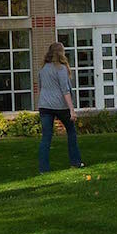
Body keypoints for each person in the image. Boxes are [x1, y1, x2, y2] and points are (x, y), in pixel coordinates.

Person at [37, 40, 86, 173]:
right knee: (71, 131)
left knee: (46, 136)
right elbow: (65, 90)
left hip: (44, 106)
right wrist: (72, 110)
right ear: (61, 53)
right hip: (60, 106)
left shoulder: (43, 69)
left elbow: (40, 88)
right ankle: (75, 162)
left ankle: (43, 169)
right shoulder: (61, 69)